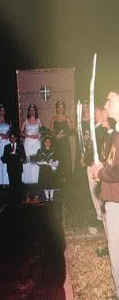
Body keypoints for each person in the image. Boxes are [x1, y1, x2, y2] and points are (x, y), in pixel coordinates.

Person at [92, 90, 119, 299]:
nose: (106, 107)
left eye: (109, 101)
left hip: (117, 197)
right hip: (113, 195)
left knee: (116, 245)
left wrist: (101, 171)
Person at [84, 107, 106, 221]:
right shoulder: (94, 128)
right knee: (93, 190)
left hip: (95, 164)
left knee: (96, 189)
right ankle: (99, 213)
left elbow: (100, 148)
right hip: (90, 162)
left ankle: (102, 214)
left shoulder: (102, 130)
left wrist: (94, 162)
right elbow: (90, 146)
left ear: (102, 114)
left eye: (96, 112)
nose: (94, 114)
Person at [21, 103, 43, 200]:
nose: (32, 111)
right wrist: (29, 136)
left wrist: (39, 135)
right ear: (29, 111)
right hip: (28, 143)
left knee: (36, 162)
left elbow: (42, 131)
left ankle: (36, 186)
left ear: (35, 111)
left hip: (36, 144)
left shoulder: (38, 121)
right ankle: (28, 187)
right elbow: (20, 132)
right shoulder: (25, 121)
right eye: (30, 110)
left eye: (34, 110)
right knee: (28, 163)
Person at [50, 100, 73, 183]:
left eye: (62, 107)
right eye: (59, 107)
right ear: (56, 108)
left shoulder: (67, 118)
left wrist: (64, 134)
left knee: (65, 159)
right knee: (57, 159)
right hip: (56, 142)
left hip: (65, 142)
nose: (60, 109)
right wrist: (55, 135)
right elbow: (51, 131)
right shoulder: (53, 119)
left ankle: (66, 178)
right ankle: (58, 177)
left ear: (64, 109)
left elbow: (72, 131)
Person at [31, 136, 59, 202]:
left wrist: (53, 163)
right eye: (46, 141)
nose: (47, 143)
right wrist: (41, 162)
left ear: (51, 143)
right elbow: (37, 159)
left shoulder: (53, 151)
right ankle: (47, 197)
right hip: (44, 169)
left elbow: (57, 159)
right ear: (44, 143)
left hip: (51, 169)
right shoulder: (40, 151)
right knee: (45, 183)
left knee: (51, 183)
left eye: (49, 141)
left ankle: (51, 197)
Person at [1, 131, 26, 204]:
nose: (12, 138)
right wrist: (9, 155)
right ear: (9, 138)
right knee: (12, 184)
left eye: (14, 137)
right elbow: (4, 158)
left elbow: (24, 157)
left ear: (16, 138)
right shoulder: (7, 147)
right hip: (10, 168)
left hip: (18, 168)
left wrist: (21, 159)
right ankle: (12, 199)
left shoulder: (20, 146)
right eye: (11, 137)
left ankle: (19, 198)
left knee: (18, 183)